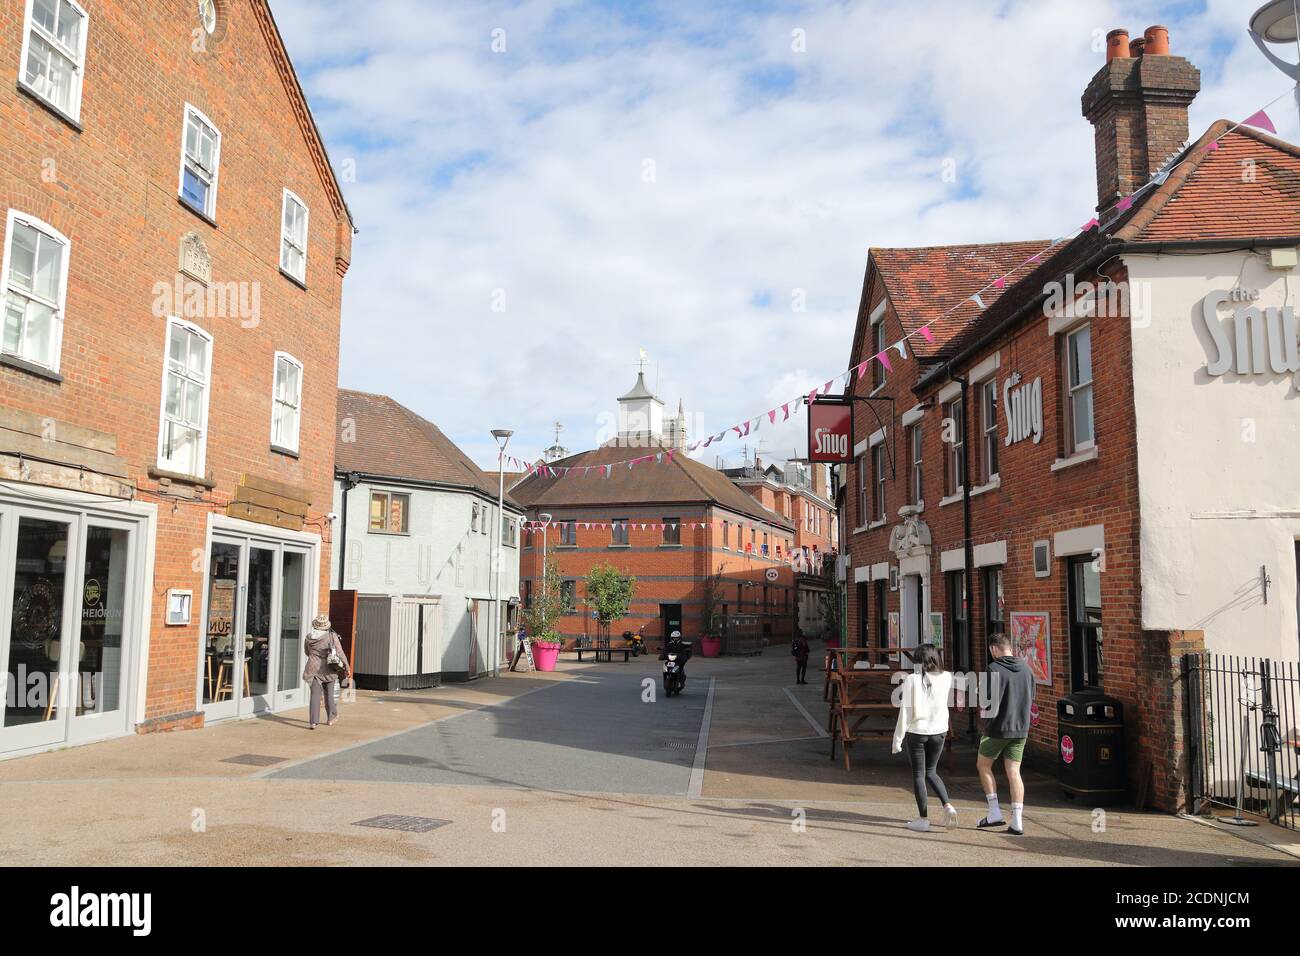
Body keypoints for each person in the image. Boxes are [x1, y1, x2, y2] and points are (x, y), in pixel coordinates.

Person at [892, 643, 958, 832]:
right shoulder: (946, 677)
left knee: (919, 775)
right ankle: (947, 805)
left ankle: (923, 819)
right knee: (932, 772)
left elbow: (905, 711)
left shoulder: (912, 679)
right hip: (939, 731)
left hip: (917, 732)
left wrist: (897, 739)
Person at [976, 632, 1036, 835]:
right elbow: (1032, 697)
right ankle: (1017, 820)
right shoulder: (1027, 669)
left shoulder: (993, 668)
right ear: (1010, 648)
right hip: (1021, 729)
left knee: (983, 765)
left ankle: (994, 812)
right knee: (1014, 772)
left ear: (994, 649)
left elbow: (985, 702)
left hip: (997, 728)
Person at [302, 613, 349, 729]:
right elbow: (340, 652)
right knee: (329, 695)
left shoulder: (309, 637)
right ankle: (331, 718)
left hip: (312, 668)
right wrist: (347, 666)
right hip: (329, 668)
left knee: (315, 696)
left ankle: (313, 722)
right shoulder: (331, 636)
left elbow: (307, 652)